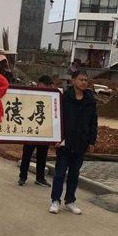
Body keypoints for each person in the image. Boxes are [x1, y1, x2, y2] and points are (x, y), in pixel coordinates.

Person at [49, 69, 97, 215]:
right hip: (65, 142)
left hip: (81, 142)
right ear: (73, 81)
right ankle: (55, 200)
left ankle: (70, 200)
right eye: (81, 80)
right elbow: (56, 118)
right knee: (60, 173)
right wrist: (56, 137)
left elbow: (93, 122)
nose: (84, 82)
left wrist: (92, 140)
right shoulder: (64, 98)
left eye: (86, 80)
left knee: (74, 174)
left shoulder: (90, 100)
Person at [18, 75, 53, 187]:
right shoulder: (31, 95)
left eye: (48, 86)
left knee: (42, 155)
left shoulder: (52, 96)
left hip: (44, 131)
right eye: (44, 85)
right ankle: (22, 177)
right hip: (31, 130)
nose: (46, 88)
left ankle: (40, 178)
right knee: (27, 154)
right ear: (39, 84)